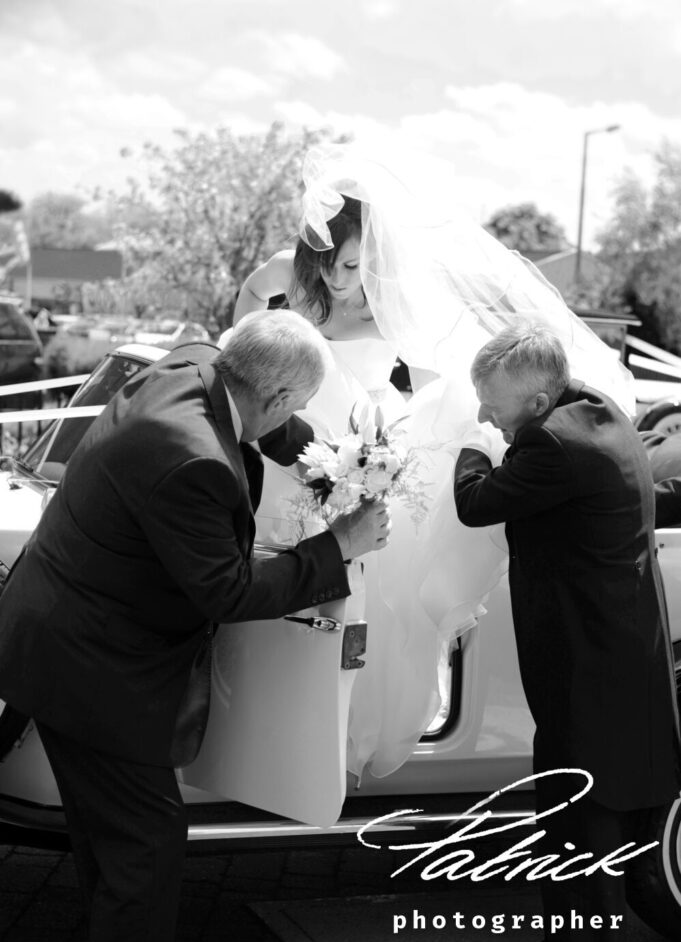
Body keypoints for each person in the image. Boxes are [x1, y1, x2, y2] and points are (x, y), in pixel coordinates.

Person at [0, 309, 390, 942]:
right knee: (145, 848)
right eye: (292, 408)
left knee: (113, 844)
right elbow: (227, 589)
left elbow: (258, 418)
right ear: (271, 397)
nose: (291, 419)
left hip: (55, 633)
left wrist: (324, 447)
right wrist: (336, 545)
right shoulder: (197, 462)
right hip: (96, 669)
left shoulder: (190, 363)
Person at [227, 138, 636, 782]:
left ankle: (337, 745)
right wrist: (260, 286)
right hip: (289, 454)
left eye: (354, 265)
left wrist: (396, 450)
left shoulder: (400, 298)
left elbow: (442, 388)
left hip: (357, 456)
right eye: (327, 262)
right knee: (276, 595)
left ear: (379, 256)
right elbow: (243, 348)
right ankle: (262, 740)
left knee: (360, 606)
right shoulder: (292, 282)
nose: (338, 278)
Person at [453, 319, 681, 942]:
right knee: (567, 844)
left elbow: (475, 502)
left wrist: (465, 447)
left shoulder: (551, 442)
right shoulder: (599, 412)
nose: (485, 412)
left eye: (492, 402)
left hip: (590, 686)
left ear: (539, 395)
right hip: (614, 676)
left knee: (585, 861)